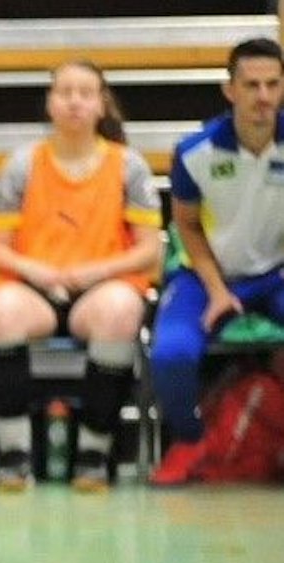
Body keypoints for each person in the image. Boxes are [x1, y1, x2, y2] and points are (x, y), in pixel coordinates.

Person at [0, 61, 161, 492]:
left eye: (85, 92)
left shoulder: (127, 166)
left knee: (118, 312)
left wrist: (95, 271)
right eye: (65, 92)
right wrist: (37, 271)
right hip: (35, 288)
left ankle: (94, 453)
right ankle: (14, 455)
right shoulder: (22, 164)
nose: (75, 101)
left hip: (103, 287)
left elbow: (149, 248)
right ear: (49, 102)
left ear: (101, 104)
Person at [150, 37, 284, 484]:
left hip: (276, 275)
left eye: (272, 84)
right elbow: (185, 225)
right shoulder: (195, 153)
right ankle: (189, 441)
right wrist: (217, 290)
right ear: (230, 91)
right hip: (206, 275)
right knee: (171, 353)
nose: (263, 97)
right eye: (251, 85)